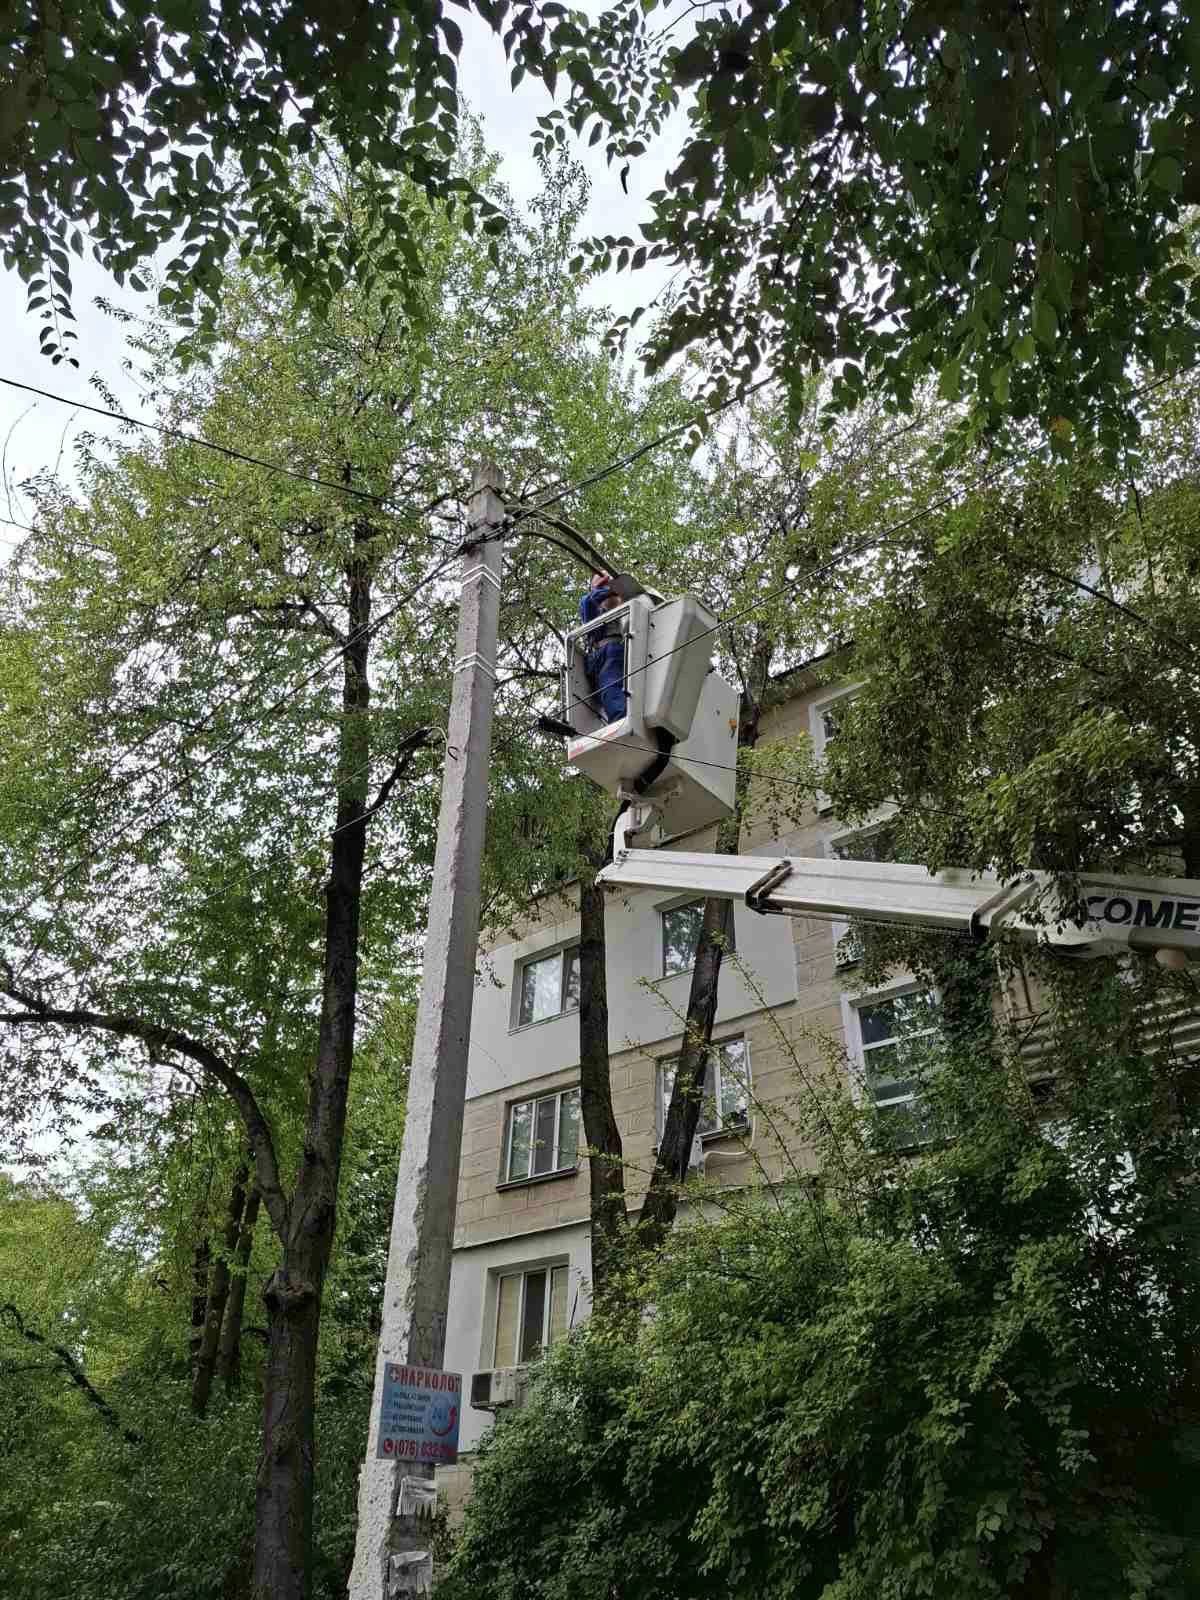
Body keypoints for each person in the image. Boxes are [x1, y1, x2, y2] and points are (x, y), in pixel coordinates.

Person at [578, 571, 627, 723]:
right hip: (604, 654)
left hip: (615, 650)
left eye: (608, 585)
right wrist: (610, 590)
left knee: (611, 688)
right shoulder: (591, 605)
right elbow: (589, 601)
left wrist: (615, 590)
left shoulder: (628, 604)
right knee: (608, 693)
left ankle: (621, 721)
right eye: (602, 586)